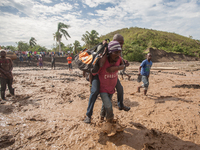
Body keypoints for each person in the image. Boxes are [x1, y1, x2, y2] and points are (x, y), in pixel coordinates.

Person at [84, 34, 130, 124]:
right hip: (99, 74)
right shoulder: (104, 49)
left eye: (122, 44)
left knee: (119, 89)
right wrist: (90, 84)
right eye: (119, 43)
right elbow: (94, 68)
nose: (121, 45)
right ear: (113, 41)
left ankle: (117, 107)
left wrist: (120, 65)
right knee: (95, 92)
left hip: (110, 76)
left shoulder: (117, 51)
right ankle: (88, 115)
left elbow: (119, 59)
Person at [97, 41, 128, 122]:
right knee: (109, 105)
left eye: (119, 52)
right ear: (109, 53)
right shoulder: (103, 61)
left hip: (111, 88)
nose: (118, 55)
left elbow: (123, 65)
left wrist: (115, 68)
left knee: (105, 104)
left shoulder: (119, 59)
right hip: (103, 89)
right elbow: (97, 68)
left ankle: (101, 117)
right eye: (116, 52)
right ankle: (109, 123)